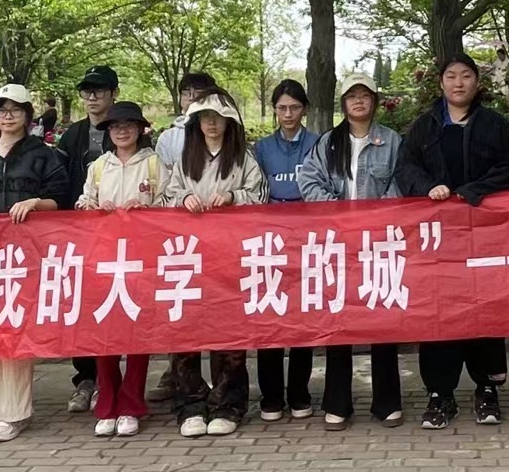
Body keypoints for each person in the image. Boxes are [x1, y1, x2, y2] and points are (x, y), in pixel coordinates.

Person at [394, 51, 509, 430]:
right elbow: (405, 168)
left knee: (485, 309)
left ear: (477, 82)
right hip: (438, 240)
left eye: (466, 75)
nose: (458, 82)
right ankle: (440, 394)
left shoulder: (495, 125)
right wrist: (429, 187)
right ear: (441, 83)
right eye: (451, 76)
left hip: (483, 235)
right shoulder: (423, 127)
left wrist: (472, 191)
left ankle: (487, 388)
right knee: (440, 313)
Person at [0, 83, 71, 442]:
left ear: (27, 115)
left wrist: (35, 203)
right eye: (1, 110)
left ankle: (14, 413)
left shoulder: (43, 155)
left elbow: (60, 198)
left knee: (16, 331)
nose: (8, 116)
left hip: (27, 256)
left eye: (15, 110)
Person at [298, 72, 405, 430]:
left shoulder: (391, 140)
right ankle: (337, 402)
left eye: (365, 95)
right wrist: (336, 212)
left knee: (382, 317)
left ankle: (387, 401)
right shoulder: (329, 142)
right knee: (339, 319)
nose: (359, 101)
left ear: (375, 100)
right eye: (352, 96)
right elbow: (308, 180)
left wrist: (376, 217)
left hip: (379, 243)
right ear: (343, 103)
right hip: (338, 243)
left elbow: (401, 182)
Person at [161, 88, 268, 436]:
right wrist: (184, 199)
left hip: (230, 257)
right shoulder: (185, 159)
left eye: (218, 117)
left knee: (229, 331)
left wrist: (235, 196)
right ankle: (190, 404)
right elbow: (166, 195)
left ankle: (228, 404)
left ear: (229, 122)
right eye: (205, 117)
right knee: (185, 329)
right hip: (188, 257)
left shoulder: (243, 159)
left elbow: (260, 196)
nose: (211, 123)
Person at [74, 101, 162, 438]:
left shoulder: (154, 164)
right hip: (105, 259)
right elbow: (83, 201)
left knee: (138, 335)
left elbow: (170, 202)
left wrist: (147, 209)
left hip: (142, 259)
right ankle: (107, 404)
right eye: (115, 126)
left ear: (140, 129)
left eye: (128, 125)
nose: (122, 131)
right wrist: (95, 207)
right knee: (105, 335)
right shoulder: (99, 167)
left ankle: (131, 404)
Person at [149, 70, 222, 404]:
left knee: (219, 308)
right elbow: (166, 187)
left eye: (200, 92)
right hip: (181, 239)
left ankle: (223, 388)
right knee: (181, 306)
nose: (192, 97)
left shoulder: (229, 136)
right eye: (187, 92)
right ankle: (180, 379)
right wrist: (183, 200)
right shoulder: (169, 139)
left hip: (222, 241)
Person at [254, 79, 320, 422]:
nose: (288, 114)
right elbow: (257, 189)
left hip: (307, 237)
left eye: (294, 107)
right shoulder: (262, 148)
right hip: (271, 239)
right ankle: (270, 395)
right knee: (270, 312)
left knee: (302, 316)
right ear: (274, 110)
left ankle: (299, 392)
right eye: (282, 108)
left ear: (304, 109)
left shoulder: (318, 143)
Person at [57, 64, 120, 413]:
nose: (92, 97)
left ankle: (112, 380)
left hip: (120, 237)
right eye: (86, 91)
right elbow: (59, 180)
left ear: (114, 93)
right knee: (80, 305)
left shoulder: (126, 129)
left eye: (99, 90)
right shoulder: (72, 136)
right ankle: (85, 378)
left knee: (116, 303)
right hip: (78, 234)